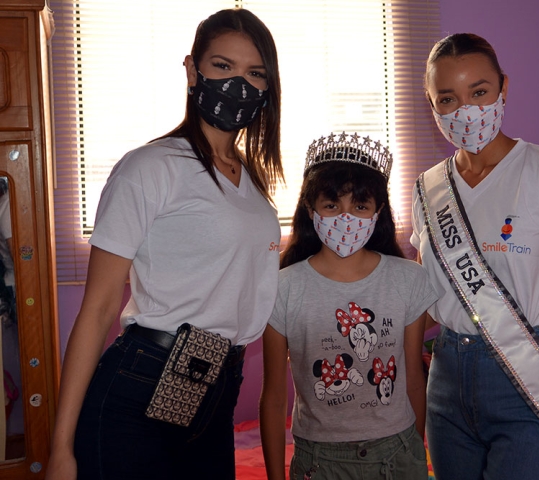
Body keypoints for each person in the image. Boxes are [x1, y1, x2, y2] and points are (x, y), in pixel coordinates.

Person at [47, 8, 283, 480]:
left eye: (254, 73)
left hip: (217, 384)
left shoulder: (253, 183)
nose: (239, 83)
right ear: (192, 69)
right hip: (145, 378)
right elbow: (97, 310)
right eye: (222, 66)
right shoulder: (150, 167)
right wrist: (60, 449)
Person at [412, 33, 539, 480]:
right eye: (447, 98)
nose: (465, 110)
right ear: (431, 105)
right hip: (444, 378)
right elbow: (427, 298)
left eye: (479, 92)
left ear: (504, 87)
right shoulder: (428, 189)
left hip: (525, 379)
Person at [260, 133, 437, 480]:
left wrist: (415, 452)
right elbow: (273, 397)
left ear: (377, 212)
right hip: (320, 460)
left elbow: (414, 379)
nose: (345, 218)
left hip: (398, 453)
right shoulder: (283, 287)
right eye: (331, 205)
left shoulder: (409, 279)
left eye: (359, 206)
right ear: (311, 211)